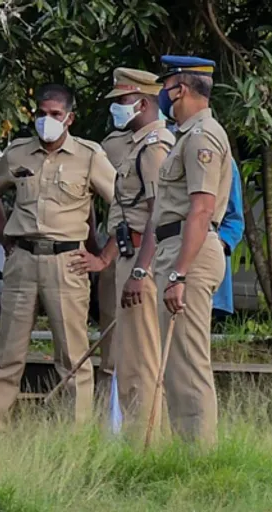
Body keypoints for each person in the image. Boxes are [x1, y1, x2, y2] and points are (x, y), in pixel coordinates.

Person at [0, 84, 117, 430]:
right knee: (7, 355)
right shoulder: (17, 154)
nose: (47, 120)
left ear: (69, 118)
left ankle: (75, 435)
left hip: (68, 262)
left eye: (55, 115)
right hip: (23, 259)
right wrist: (4, 235)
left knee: (73, 357)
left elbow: (125, 205)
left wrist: (103, 257)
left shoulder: (90, 156)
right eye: (41, 113)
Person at [83, 68, 175, 437]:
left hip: (142, 259)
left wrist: (140, 271)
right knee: (129, 358)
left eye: (122, 101)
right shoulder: (134, 144)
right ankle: (139, 437)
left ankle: (145, 443)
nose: (118, 108)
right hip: (127, 254)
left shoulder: (154, 147)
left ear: (143, 101)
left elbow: (158, 213)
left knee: (141, 362)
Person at [152, 55, 234, 445]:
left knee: (187, 364)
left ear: (179, 89)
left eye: (165, 86)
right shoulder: (190, 134)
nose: (162, 95)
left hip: (192, 253)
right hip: (180, 248)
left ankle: (199, 457)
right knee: (177, 367)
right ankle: (189, 451)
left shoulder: (202, 136)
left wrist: (179, 273)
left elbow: (201, 208)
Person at [212, 160, 245, 319]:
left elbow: (234, 221)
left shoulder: (222, 158)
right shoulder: (162, 145)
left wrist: (217, 244)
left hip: (204, 257)